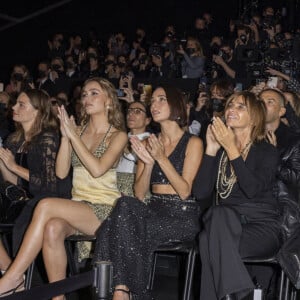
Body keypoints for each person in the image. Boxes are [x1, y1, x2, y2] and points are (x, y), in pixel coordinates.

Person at [0, 77, 128, 299]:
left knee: (46, 204)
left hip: (107, 208)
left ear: (109, 101)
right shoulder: (78, 131)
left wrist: (73, 136)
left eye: (94, 93)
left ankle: (13, 276)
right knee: (53, 228)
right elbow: (60, 172)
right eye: (85, 94)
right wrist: (67, 138)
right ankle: (57, 297)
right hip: (78, 206)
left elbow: (97, 169)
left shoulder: (118, 135)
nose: (87, 98)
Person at [92, 85, 203, 300]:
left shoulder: (193, 142)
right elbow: (140, 194)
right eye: (152, 101)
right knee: (124, 206)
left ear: (176, 105)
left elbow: (184, 191)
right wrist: (149, 163)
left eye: (161, 99)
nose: (154, 105)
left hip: (181, 215)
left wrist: (161, 158)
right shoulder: (148, 142)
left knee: (110, 226)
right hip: (153, 209)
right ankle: (124, 291)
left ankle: (121, 291)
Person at [193, 91, 281, 300]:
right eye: (230, 105)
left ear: (255, 117)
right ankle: (236, 294)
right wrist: (211, 151)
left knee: (210, 236)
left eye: (241, 107)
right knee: (214, 226)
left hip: (261, 229)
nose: (231, 109)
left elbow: (252, 189)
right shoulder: (221, 152)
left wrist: (231, 147)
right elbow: (200, 193)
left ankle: (234, 294)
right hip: (226, 227)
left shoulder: (266, 151)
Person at [0, 89, 60, 277]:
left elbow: (47, 184)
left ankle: (16, 277)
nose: (14, 107)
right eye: (16, 103)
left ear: (38, 111)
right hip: (21, 199)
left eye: (21, 104)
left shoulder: (47, 138)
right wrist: (3, 164)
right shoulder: (14, 139)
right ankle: (10, 271)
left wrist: (12, 165)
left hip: (45, 199)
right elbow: (14, 182)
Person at [116, 100, 152, 196]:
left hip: (136, 190)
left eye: (137, 111)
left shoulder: (151, 142)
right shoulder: (118, 138)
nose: (131, 114)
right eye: (129, 110)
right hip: (113, 188)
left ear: (147, 120)